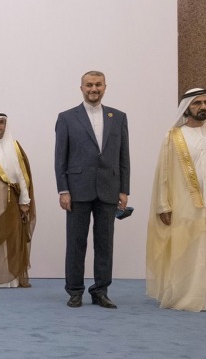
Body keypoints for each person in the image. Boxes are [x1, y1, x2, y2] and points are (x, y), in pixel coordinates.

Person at [145, 88, 206, 312]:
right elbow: (164, 174)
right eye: (197, 103)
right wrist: (163, 205)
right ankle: (188, 297)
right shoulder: (174, 136)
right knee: (189, 249)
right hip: (185, 204)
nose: (203, 107)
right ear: (186, 108)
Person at [54, 70, 129, 309]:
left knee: (105, 244)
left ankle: (100, 291)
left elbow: (123, 156)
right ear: (81, 88)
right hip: (77, 190)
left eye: (98, 84)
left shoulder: (118, 117)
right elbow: (60, 158)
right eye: (89, 85)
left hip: (109, 189)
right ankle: (75, 291)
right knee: (76, 243)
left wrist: (124, 190)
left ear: (105, 87)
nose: (93, 89)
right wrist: (63, 190)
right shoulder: (66, 118)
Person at [0, 112, 35, 288]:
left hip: (11, 199)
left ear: (6, 125)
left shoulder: (15, 146)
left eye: (1, 122)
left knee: (10, 236)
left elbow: (23, 176)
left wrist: (24, 201)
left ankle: (10, 278)